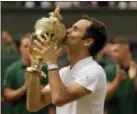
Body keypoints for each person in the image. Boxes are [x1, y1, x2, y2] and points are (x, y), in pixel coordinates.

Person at [26, 15, 108, 114]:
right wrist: (35, 64)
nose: (67, 30)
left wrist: (52, 62)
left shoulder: (95, 71)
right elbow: (34, 105)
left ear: (88, 42)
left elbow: (59, 99)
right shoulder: (63, 72)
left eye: (75, 29)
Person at [3, 33, 56, 114]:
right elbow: (7, 96)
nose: (29, 49)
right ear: (20, 48)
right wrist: (25, 87)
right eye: (25, 46)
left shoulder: (46, 68)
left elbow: (53, 95)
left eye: (32, 46)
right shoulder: (12, 70)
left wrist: (34, 85)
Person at [105, 37, 137, 114]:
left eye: (116, 51)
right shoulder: (109, 70)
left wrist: (134, 78)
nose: (112, 54)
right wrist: (117, 80)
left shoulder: (135, 68)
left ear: (126, 50)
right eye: (111, 52)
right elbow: (106, 95)